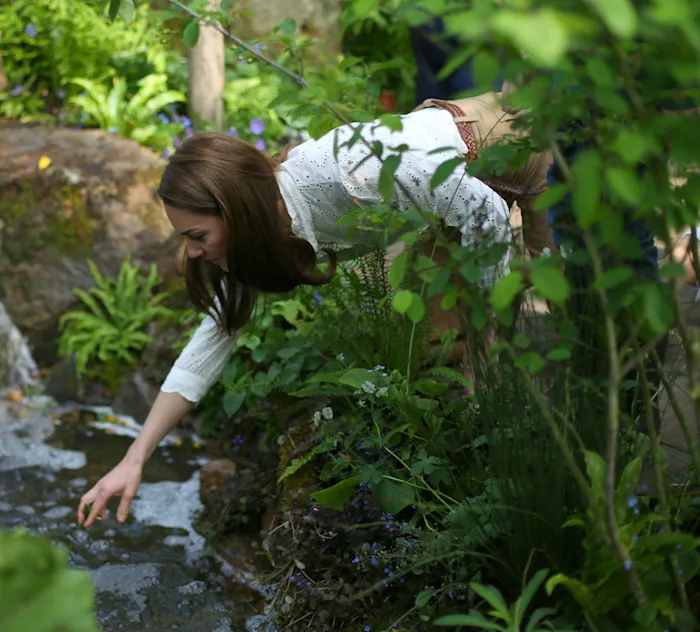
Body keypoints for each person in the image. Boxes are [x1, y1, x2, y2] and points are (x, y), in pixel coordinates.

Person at [76, 91, 556, 528]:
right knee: (432, 340)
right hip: (441, 192)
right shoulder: (269, 224)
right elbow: (211, 340)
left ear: (235, 211)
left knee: (517, 330)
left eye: (197, 237)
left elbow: (486, 214)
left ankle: (530, 470)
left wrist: (483, 337)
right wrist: (135, 457)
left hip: (503, 148)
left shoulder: (350, 174)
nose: (194, 253)